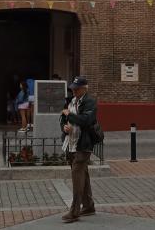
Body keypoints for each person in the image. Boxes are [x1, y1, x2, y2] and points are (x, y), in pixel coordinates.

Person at [60, 76, 97, 223]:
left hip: (83, 144)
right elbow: (63, 117)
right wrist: (64, 127)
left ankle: (74, 211)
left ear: (84, 88)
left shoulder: (90, 102)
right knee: (83, 175)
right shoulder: (70, 101)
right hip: (70, 143)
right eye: (73, 88)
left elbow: (86, 120)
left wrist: (70, 115)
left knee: (77, 176)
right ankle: (88, 206)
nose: (74, 91)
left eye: (77, 88)